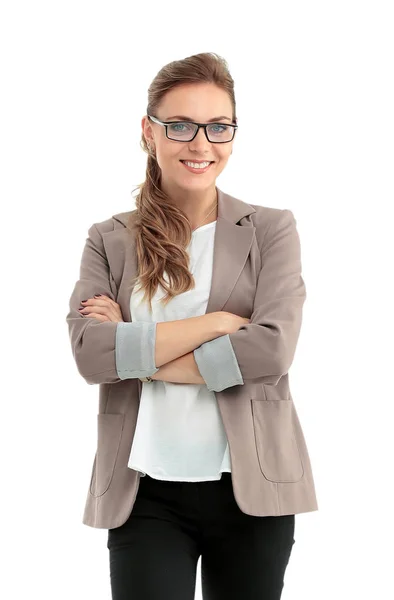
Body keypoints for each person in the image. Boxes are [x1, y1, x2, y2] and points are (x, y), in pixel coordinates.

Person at [66, 52, 318, 600]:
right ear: (148, 131)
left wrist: (138, 358)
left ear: (232, 133)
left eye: (217, 126)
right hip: (144, 493)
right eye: (179, 125)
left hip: (251, 488)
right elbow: (90, 355)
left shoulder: (270, 230)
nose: (201, 144)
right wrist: (217, 325)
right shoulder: (109, 239)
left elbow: (272, 351)